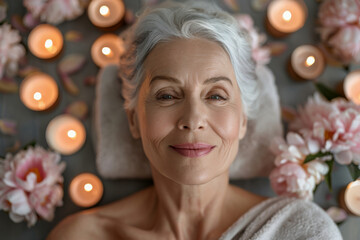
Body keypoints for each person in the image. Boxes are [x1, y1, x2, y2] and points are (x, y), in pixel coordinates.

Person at [47, 1, 342, 239]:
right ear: (135, 120)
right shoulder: (82, 236)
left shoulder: (298, 231)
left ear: (241, 121)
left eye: (216, 95)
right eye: (166, 95)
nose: (192, 119)